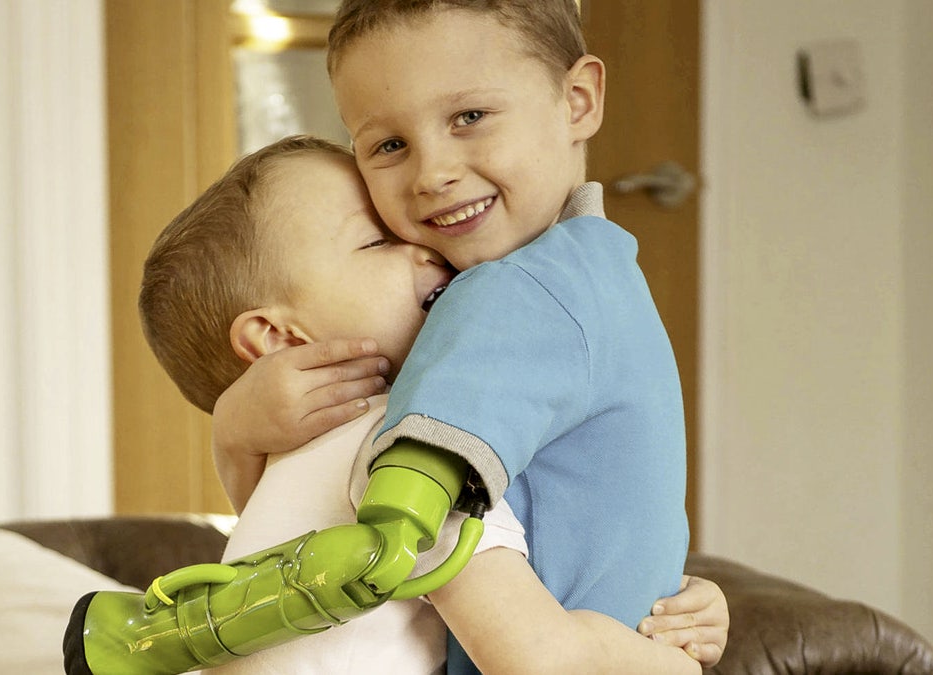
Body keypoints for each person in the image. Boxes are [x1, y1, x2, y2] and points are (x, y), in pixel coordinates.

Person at [212, 1, 711, 671]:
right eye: (390, 145)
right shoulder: (606, 272)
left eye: (470, 117)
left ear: (578, 100)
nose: (432, 174)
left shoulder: (506, 292)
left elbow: (408, 523)